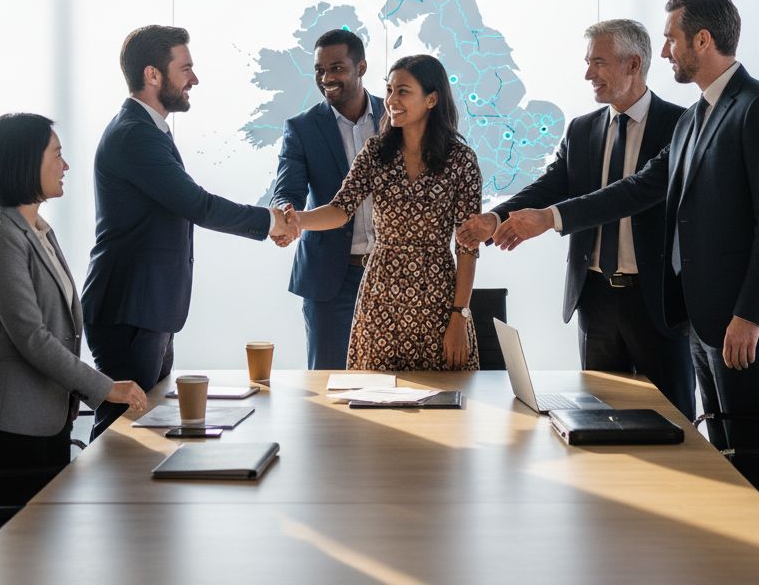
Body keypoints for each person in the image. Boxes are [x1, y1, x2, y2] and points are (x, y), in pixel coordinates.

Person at [487, 0, 759, 488]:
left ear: (702, 40)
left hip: (743, 322)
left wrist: (748, 315)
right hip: (705, 320)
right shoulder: (699, 115)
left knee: (755, 456)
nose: (665, 52)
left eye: (671, 39)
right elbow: (637, 190)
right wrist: (549, 217)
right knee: (723, 451)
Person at [457, 19, 694, 418]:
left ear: (633, 64)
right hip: (595, 299)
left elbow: (632, 193)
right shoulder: (583, 129)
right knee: (601, 418)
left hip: (655, 301)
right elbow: (551, 185)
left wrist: (548, 219)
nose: (588, 74)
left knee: (673, 421)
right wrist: (495, 219)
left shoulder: (681, 125)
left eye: (598, 63)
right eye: (588, 62)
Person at [82, 25, 291, 438]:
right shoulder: (134, 135)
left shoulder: (149, 131)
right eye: (185, 69)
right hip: (129, 310)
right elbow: (196, 204)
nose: (194, 79)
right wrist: (269, 221)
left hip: (148, 307)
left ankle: (136, 503)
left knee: (145, 424)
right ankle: (103, 503)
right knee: (121, 431)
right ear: (153, 75)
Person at [0, 113, 146, 518]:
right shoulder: (1, 239)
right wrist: (104, 387)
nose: (65, 166)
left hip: (44, 414)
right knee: (25, 549)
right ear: (26, 162)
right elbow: (33, 338)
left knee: (48, 538)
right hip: (12, 421)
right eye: (57, 155)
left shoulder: (38, 231)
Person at [284, 54, 482, 371]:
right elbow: (340, 209)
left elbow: (468, 246)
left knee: (446, 406)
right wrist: (298, 220)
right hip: (381, 296)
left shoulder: (461, 160)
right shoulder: (376, 152)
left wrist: (460, 314)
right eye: (389, 90)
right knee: (373, 402)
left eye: (402, 91)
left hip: (438, 300)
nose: (391, 100)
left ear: (432, 98)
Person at [272, 29, 385, 370]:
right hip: (329, 281)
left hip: (388, 274)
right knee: (327, 387)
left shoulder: (394, 119)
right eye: (320, 70)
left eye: (337, 68)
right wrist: (284, 217)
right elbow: (287, 189)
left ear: (361, 67)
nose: (326, 78)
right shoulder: (302, 128)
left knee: (394, 384)